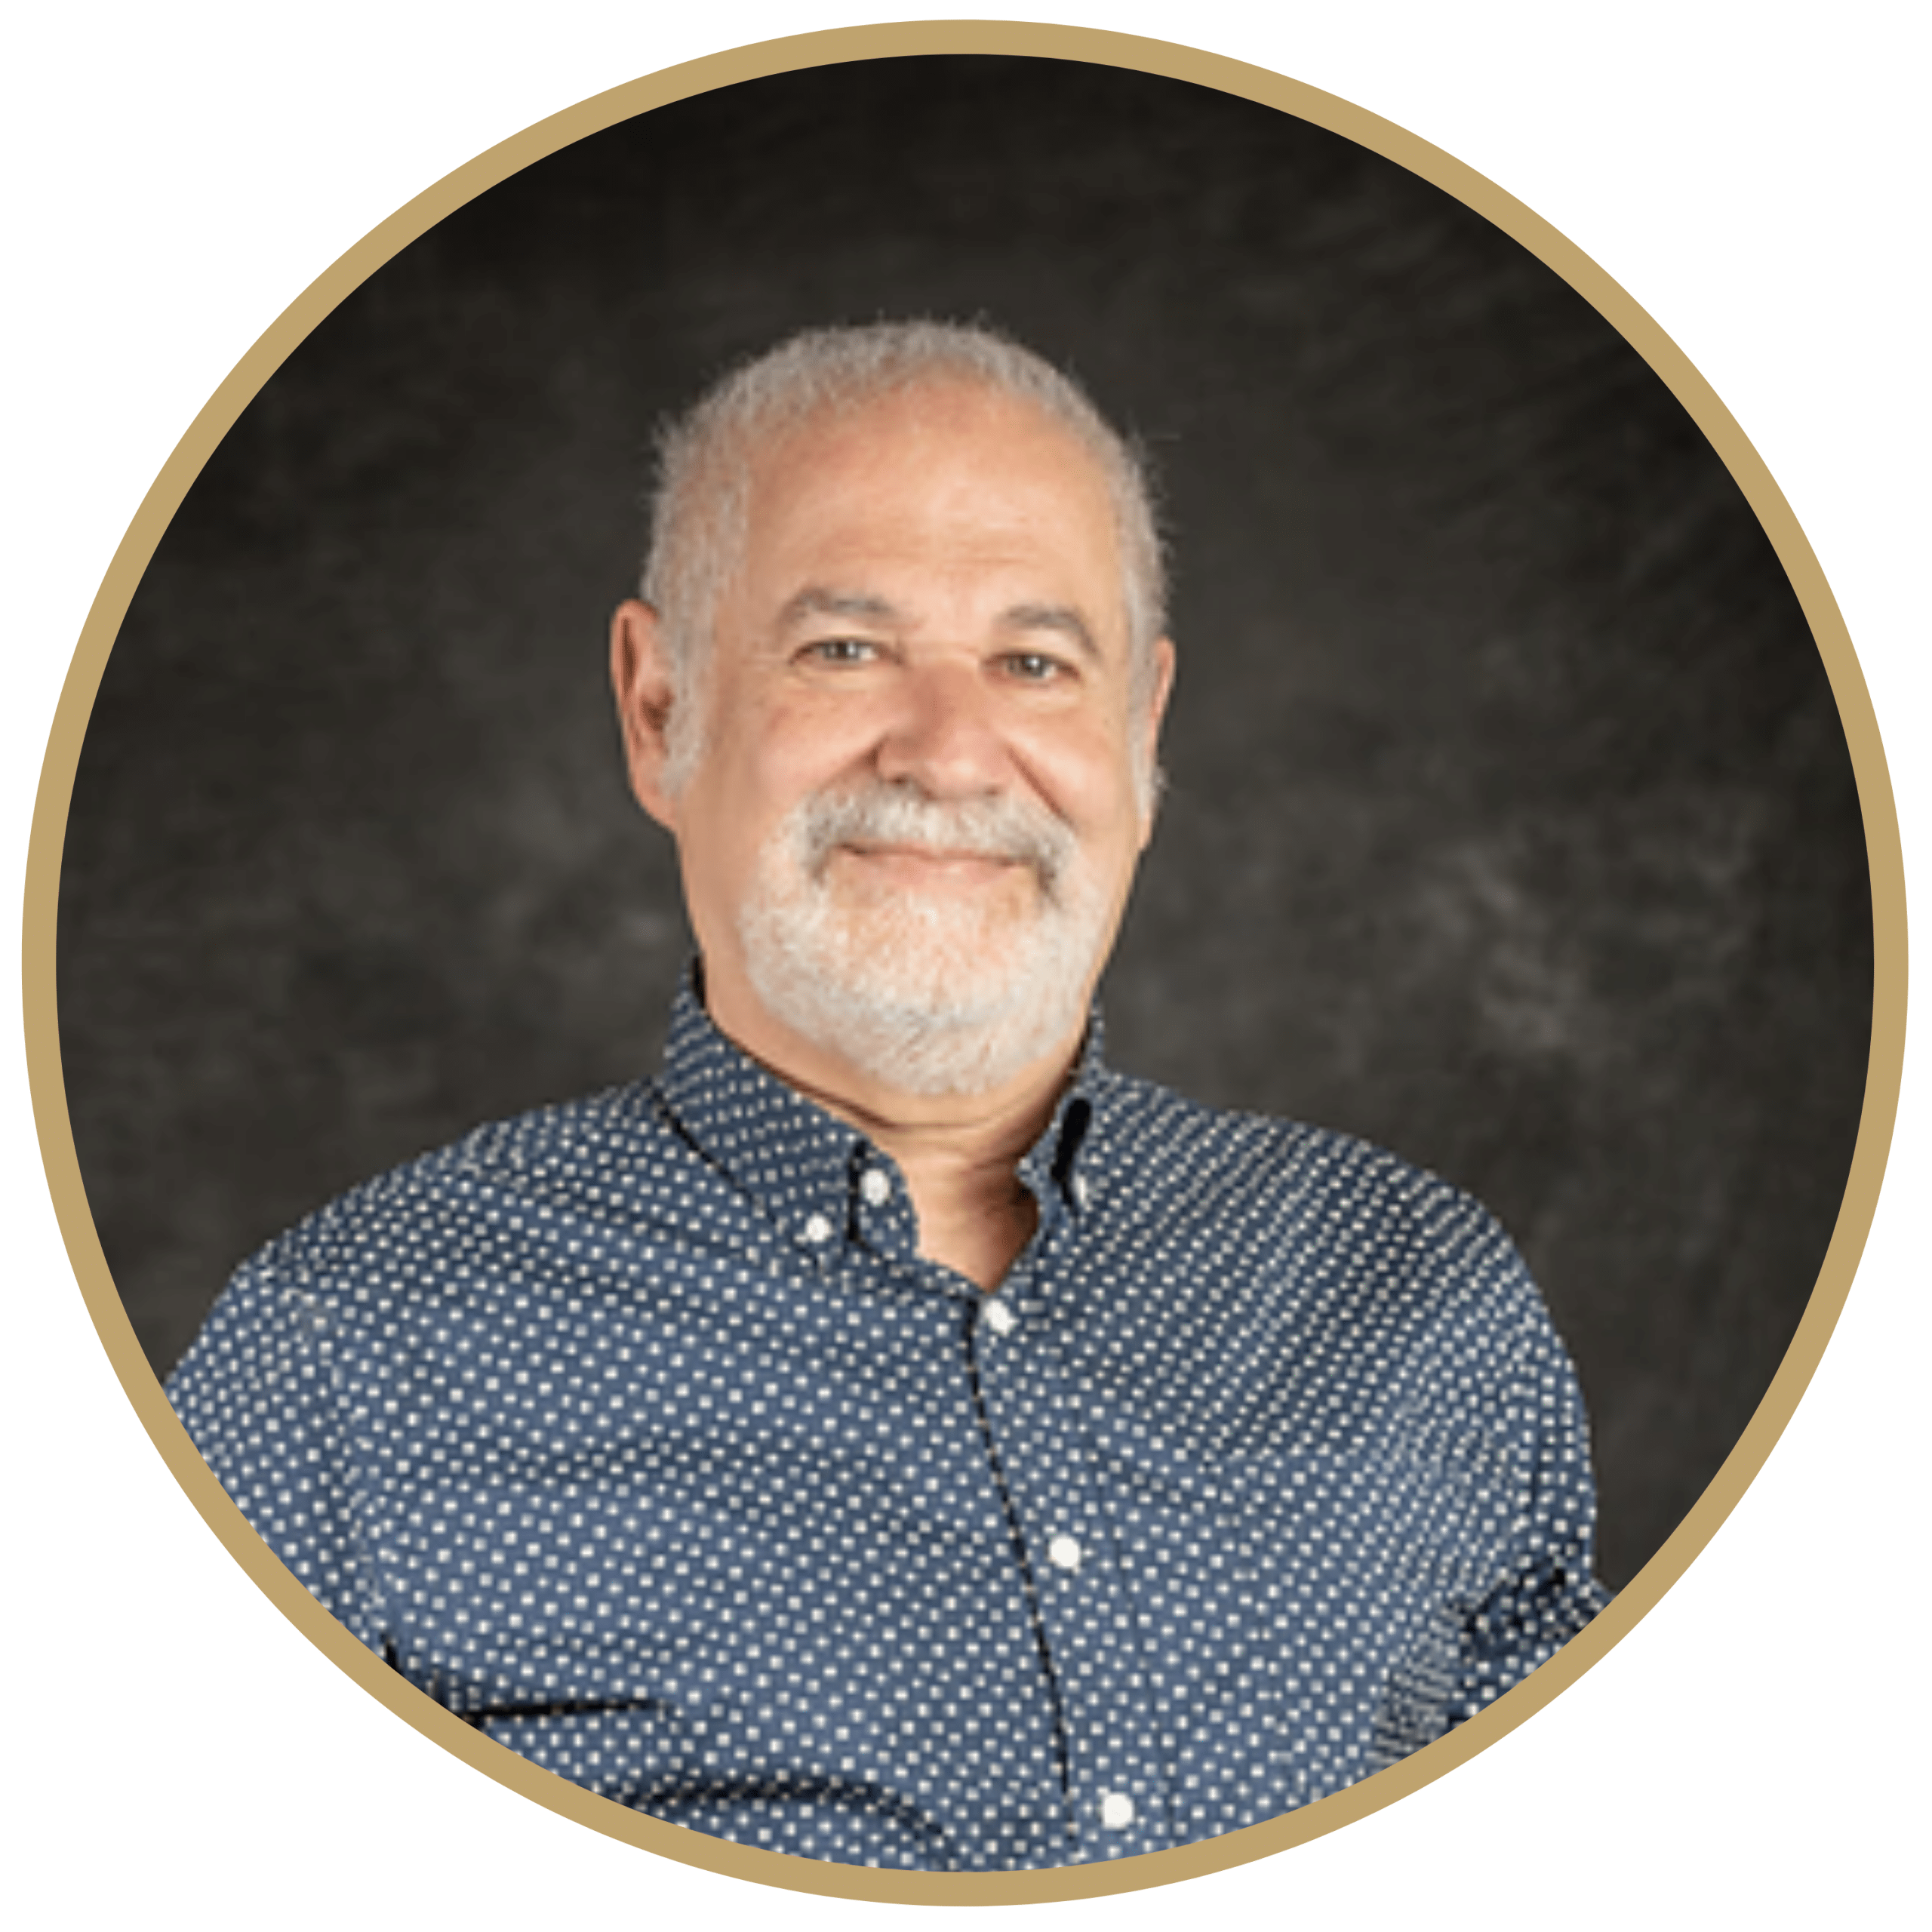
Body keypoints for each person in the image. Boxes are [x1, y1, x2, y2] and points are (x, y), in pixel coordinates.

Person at [168, 321, 1608, 1873]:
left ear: (1139, 734)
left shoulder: (1414, 1293)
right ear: (659, 709)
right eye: (843, 648)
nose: (944, 750)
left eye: (1033, 662)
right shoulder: (342, 1362)